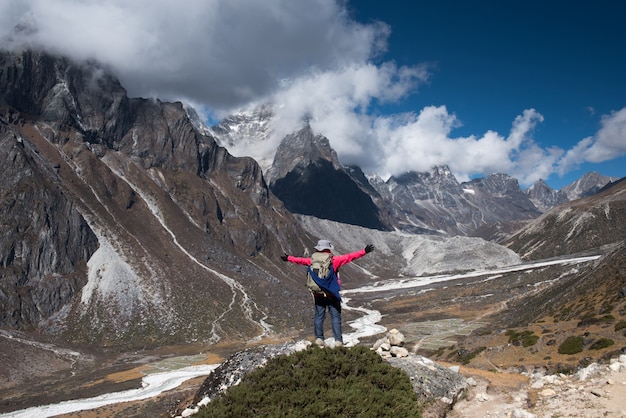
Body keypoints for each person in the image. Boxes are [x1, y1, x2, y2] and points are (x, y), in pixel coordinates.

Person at [281, 239, 374, 348]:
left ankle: (319, 338)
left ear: (318, 249)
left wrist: (288, 258)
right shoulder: (334, 260)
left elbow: (300, 260)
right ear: (328, 249)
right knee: (335, 317)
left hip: (318, 294)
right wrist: (364, 251)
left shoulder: (312, 260)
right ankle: (338, 341)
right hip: (332, 293)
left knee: (319, 316)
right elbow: (350, 257)